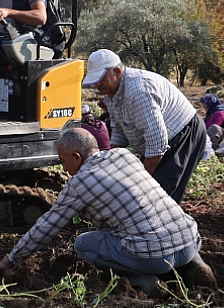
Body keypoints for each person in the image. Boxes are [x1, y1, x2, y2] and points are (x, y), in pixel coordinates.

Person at [0, 129, 215, 293]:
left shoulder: (80, 183)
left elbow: (47, 226)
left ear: (76, 157)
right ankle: (194, 264)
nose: (64, 168)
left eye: (63, 161)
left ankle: (142, 280)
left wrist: (11, 261)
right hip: (190, 240)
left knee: (83, 244)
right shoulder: (124, 155)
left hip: (154, 258)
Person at [82, 49, 206, 204]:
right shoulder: (112, 94)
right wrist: (109, 165)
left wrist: (142, 181)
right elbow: (119, 132)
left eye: (101, 78)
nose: (97, 84)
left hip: (182, 134)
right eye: (95, 80)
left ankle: (167, 218)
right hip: (161, 141)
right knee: (143, 196)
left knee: (158, 198)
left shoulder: (138, 91)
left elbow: (157, 143)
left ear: (117, 71)